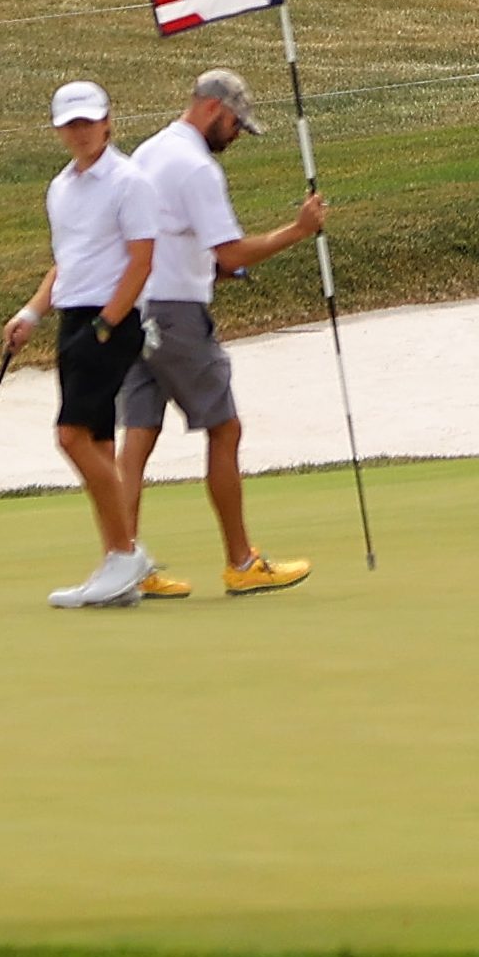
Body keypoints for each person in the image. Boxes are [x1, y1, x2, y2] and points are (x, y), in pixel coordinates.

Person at [114, 66, 332, 597]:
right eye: (237, 124)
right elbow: (229, 249)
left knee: (137, 440)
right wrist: (299, 231)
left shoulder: (149, 152)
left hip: (133, 309)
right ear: (214, 109)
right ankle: (241, 561)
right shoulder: (196, 168)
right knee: (225, 428)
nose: (237, 136)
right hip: (176, 315)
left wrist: (211, 269)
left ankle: (123, 565)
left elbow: (162, 238)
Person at [5, 80, 155, 609]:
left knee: (70, 437)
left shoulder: (129, 180)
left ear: (107, 121)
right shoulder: (61, 187)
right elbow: (67, 262)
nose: (81, 132)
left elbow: (141, 260)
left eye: (89, 122)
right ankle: (120, 565)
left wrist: (107, 325)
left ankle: (125, 555)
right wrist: (32, 311)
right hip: (74, 319)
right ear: (59, 130)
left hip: (110, 321)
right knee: (95, 443)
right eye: (71, 124)